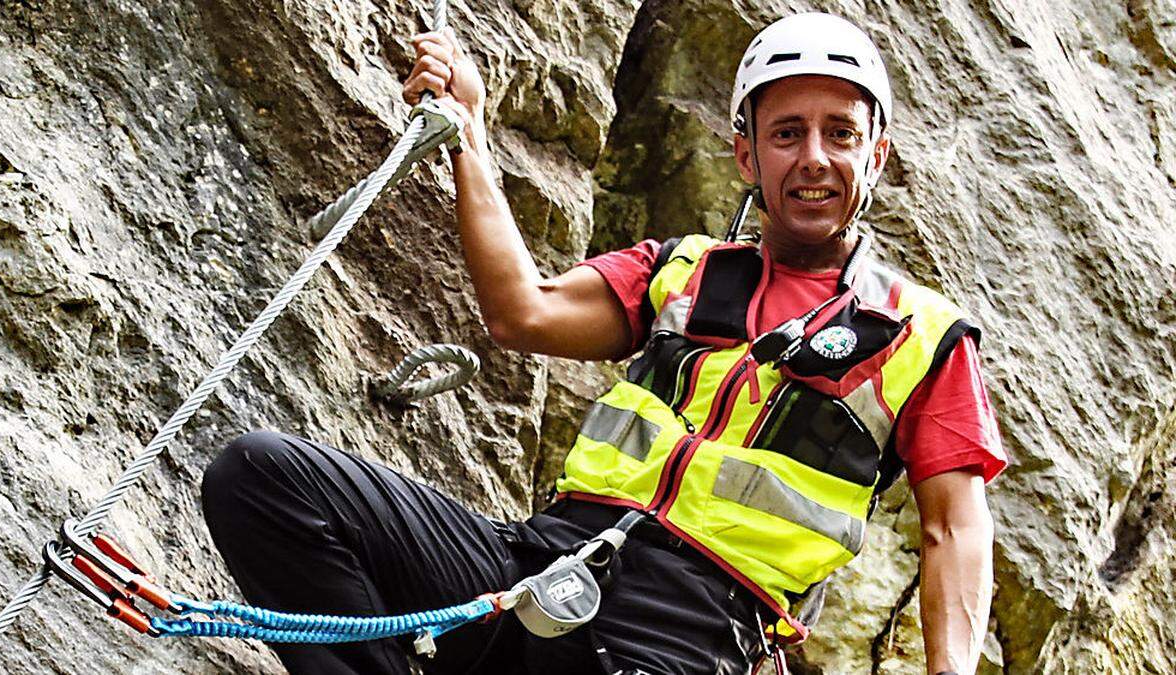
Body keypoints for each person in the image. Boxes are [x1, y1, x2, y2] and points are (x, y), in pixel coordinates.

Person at [200, 12, 1007, 675]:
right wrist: (470, 136)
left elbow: (955, 531)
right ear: (745, 152)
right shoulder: (682, 272)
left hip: (693, 633)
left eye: (841, 133)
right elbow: (523, 311)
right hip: (541, 568)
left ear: (876, 153)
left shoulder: (921, 336)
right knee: (262, 477)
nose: (815, 158)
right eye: (788, 132)